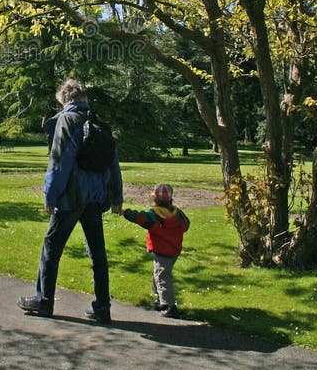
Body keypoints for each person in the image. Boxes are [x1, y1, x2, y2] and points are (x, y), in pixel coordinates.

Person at [17, 78, 123, 323]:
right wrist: (116, 196)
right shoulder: (99, 123)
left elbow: (59, 163)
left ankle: (44, 301)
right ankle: (102, 307)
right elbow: (113, 163)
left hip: (72, 197)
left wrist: (50, 196)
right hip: (96, 198)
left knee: (51, 247)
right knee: (98, 252)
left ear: (64, 99)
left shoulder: (67, 120)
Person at [122, 183, 190, 318]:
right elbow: (186, 225)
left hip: (162, 250)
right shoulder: (178, 214)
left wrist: (125, 212)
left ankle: (169, 305)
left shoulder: (154, 215)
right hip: (174, 250)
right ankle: (160, 299)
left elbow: (139, 218)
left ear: (155, 199)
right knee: (158, 272)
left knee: (162, 276)